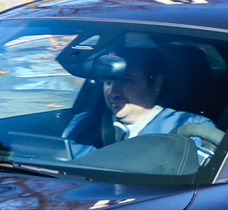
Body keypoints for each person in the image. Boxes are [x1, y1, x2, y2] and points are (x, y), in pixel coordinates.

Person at [66, 47, 215, 154]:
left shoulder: (192, 131)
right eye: (108, 81)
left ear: (157, 84)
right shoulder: (82, 125)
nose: (113, 91)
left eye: (125, 80)